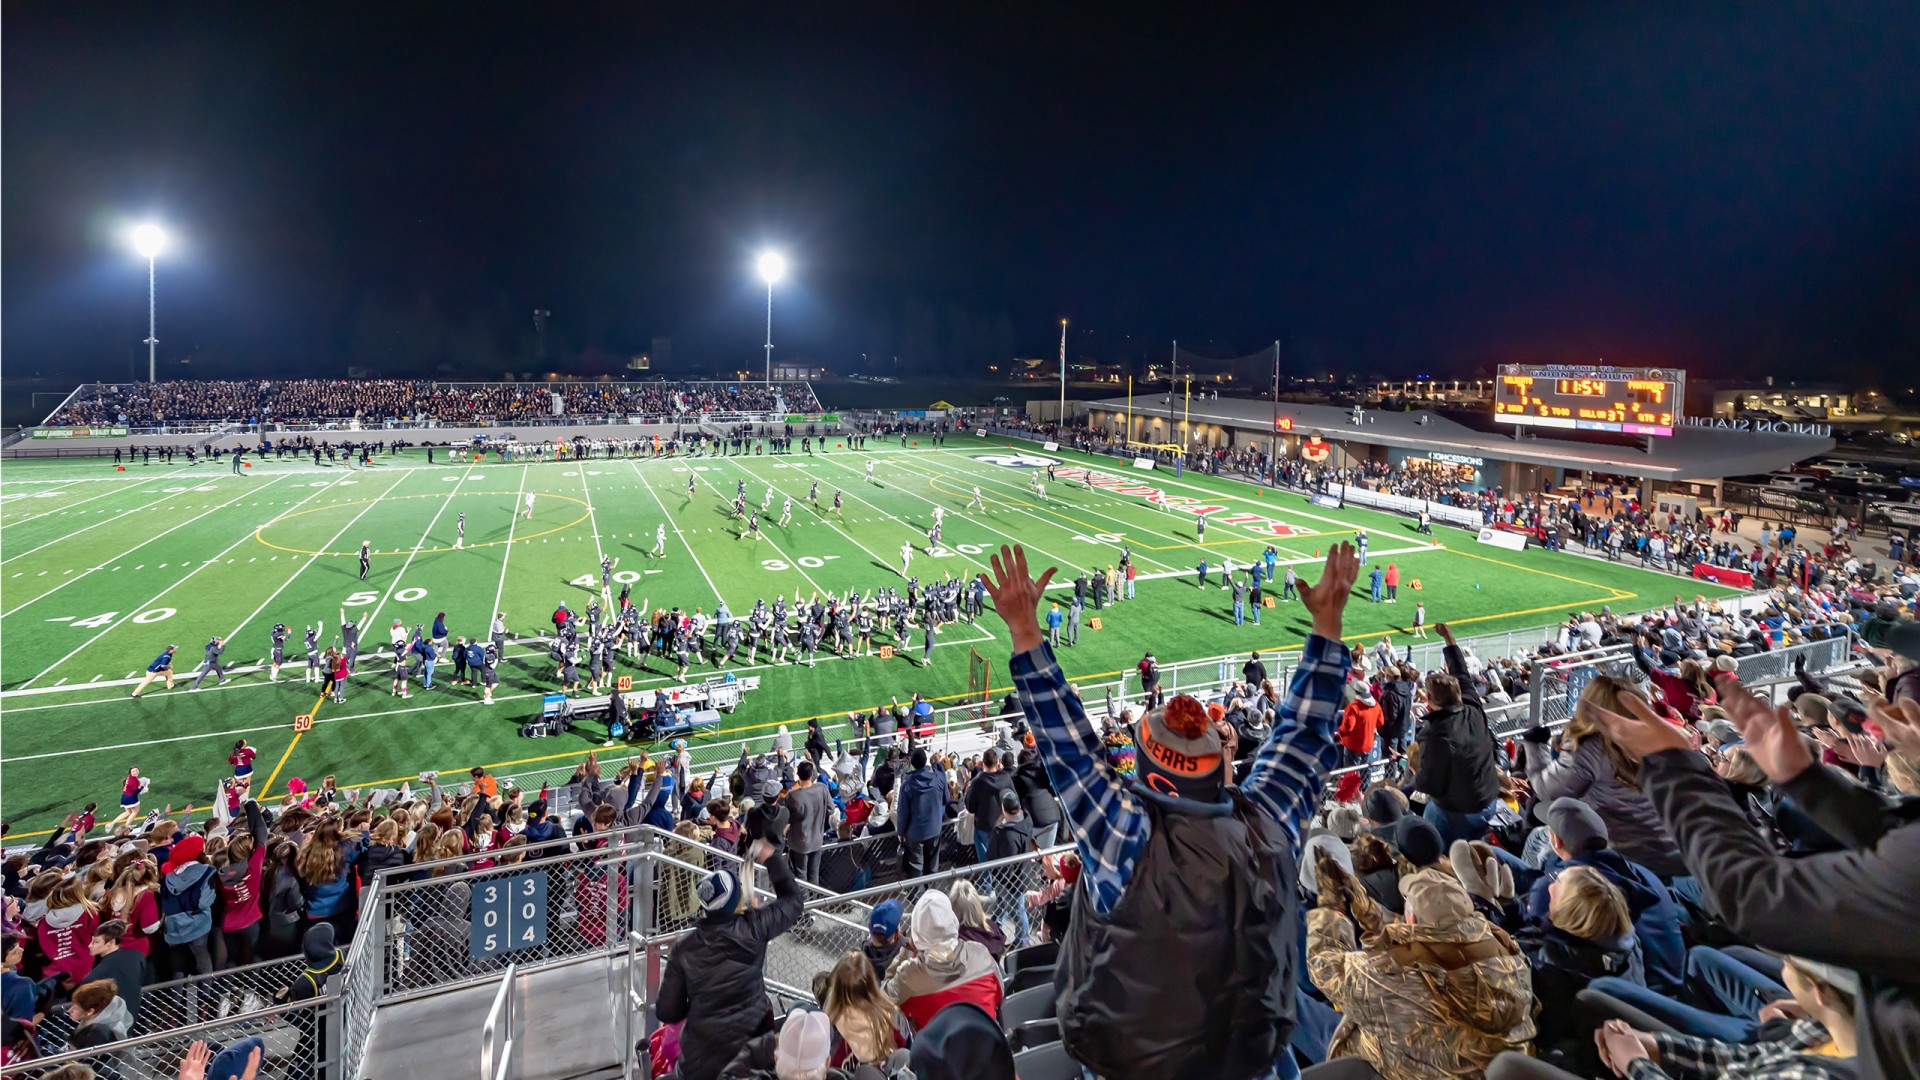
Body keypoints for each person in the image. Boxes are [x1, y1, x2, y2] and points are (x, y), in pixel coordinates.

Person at [988, 541, 1360, 1080]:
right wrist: (1327, 626)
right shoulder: (1268, 825)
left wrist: (1025, 630)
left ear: (1152, 777)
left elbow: (1069, 749)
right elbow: (1305, 735)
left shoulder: (1126, 840)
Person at [1588, 680, 1920, 1079]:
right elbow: (1896, 837)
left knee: (1595, 1003)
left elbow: (1751, 897)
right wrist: (1805, 780)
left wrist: (1670, 763)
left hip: (1856, 1044)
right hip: (1840, 1027)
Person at [1306, 858, 1535, 1078]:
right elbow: (1430, 935)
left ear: (1411, 918)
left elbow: (1324, 965)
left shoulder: (1392, 981)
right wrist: (1365, 908)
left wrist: (1330, 909)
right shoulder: (1508, 953)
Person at [653, 840, 804, 1080]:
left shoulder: (684, 949)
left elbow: (667, 1011)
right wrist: (772, 858)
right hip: (753, 1052)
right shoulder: (755, 927)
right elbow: (794, 901)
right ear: (736, 901)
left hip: (701, 1060)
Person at [1587, 954, 1860, 1080]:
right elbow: (1760, 1056)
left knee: (1593, 998)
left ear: (1820, 992)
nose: (1783, 967)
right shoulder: (1835, 1030)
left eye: (1788, 962)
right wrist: (1660, 1046)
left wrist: (1637, 1065)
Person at [1522, 675, 1687, 881]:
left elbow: (1547, 790)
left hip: (1631, 860)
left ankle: (1535, 900)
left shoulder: (1593, 747)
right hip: (1679, 852)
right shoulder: (1661, 738)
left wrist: (1535, 745)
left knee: (1540, 838)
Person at [1412, 622, 1504, 846]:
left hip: (1462, 810)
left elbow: (1429, 784)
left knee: (1428, 825)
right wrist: (1449, 639)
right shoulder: (1473, 706)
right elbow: (1460, 672)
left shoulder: (1435, 734)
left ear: (1429, 700)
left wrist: (1414, 768)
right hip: (1489, 798)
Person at [883, 890, 1004, 1030]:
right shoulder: (981, 953)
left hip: (937, 1051)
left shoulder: (909, 976)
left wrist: (907, 950)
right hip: (990, 1046)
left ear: (917, 933)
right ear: (953, 920)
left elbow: (884, 1001)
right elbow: (1000, 994)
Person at [276, 923, 344, 1080]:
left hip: (315, 1034)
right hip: (344, 1020)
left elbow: (299, 1020)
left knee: (304, 1065)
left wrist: (281, 1004)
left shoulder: (304, 982)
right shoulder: (343, 957)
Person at [82, 921, 147, 1027]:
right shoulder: (137, 956)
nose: (90, 945)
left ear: (111, 943)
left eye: (96, 942)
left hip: (109, 1025)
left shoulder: (94, 976)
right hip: (134, 1015)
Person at [896, 748, 948, 877]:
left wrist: (901, 832)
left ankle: (919, 896)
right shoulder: (939, 777)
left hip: (915, 833)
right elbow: (946, 799)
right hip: (934, 829)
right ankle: (932, 894)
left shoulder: (907, 785)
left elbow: (903, 812)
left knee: (916, 869)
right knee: (932, 868)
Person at [64, 977, 133, 1050]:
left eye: (76, 1008)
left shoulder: (97, 1033)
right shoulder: (104, 1020)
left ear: (90, 1012)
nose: (70, 1010)